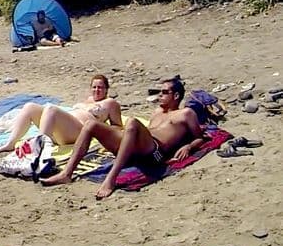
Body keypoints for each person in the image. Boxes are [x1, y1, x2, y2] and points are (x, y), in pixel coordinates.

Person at [42, 76, 207, 199]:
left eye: (164, 93)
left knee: (133, 122)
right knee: (90, 125)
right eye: (159, 92)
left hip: (153, 152)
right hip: (135, 147)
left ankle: (111, 179)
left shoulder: (186, 114)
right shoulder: (157, 112)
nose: (159, 96)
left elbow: (200, 137)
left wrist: (189, 146)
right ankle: (66, 174)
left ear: (176, 96)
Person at [0, 75, 122, 153]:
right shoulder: (89, 100)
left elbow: (118, 127)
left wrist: (102, 129)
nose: (97, 90)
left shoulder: (110, 103)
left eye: (100, 87)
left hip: (79, 133)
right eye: (94, 87)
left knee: (51, 109)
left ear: (106, 90)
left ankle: (39, 149)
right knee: (29, 106)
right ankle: (10, 144)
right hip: (63, 131)